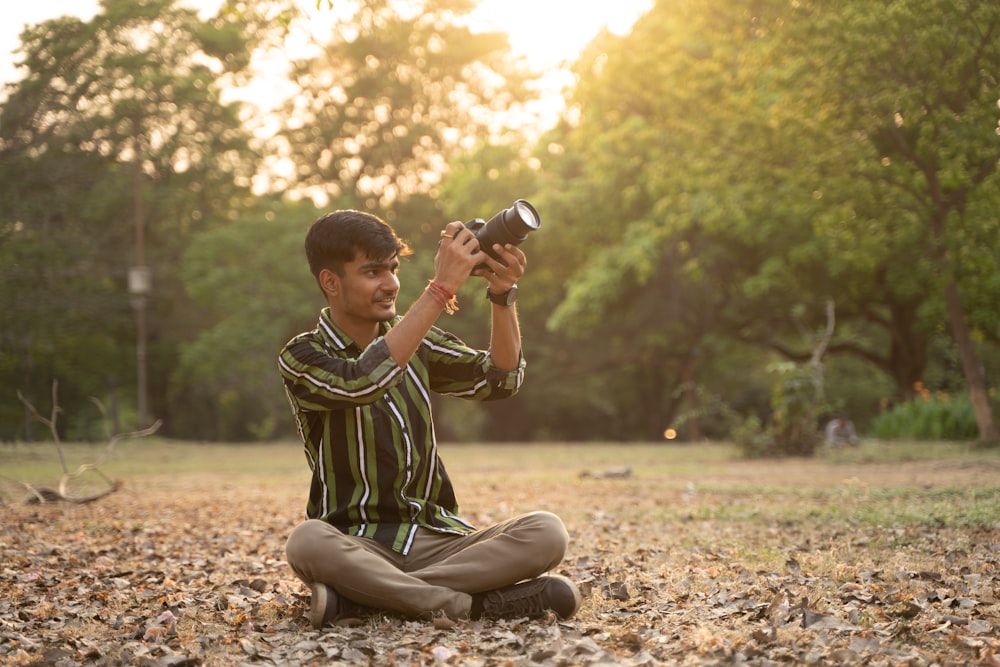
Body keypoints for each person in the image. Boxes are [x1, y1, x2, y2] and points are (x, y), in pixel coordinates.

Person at [277, 209, 581, 629]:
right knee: (307, 541)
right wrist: (440, 290)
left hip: (437, 536)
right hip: (356, 542)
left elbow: (500, 380)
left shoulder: (418, 338)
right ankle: (473, 607)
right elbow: (362, 381)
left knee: (547, 532)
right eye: (372, 272)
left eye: (393, 269)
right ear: (331, 282)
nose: (391, 285)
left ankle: (366, 600)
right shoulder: (302, 355)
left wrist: (502, 294)